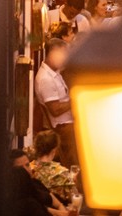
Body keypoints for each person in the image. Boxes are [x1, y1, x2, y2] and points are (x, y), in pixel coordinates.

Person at [34, 39, 77, 167]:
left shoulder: (54, 72)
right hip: (64, 128)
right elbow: (55, 109)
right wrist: (75, 100)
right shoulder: (45, 79)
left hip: (69, 124)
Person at [11, 148, 71, 216]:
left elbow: (59, 204)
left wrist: (63, 213)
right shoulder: (22, 198)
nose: (26, 170)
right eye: (21, 168)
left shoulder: (36, 183)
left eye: (27, 165)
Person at [30, 130, 74, 205]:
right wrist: (72, 180)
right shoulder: (62, 173)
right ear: (54, 150)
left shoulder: (28, 169)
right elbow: (74, 199)